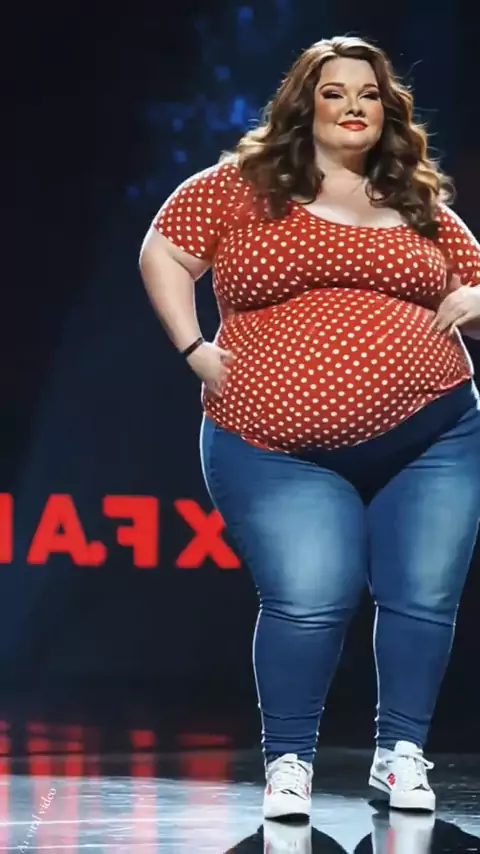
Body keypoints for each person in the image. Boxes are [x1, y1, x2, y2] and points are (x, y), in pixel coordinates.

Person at [139, 35, 480, 821]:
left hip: (435, 434)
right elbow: (163, 253)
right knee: (309, 597)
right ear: (305, 104)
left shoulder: (420, 203)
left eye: (369, 94)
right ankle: (288, 762)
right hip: (273, 444)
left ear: (387, 111)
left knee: (422, 597)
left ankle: (402, 756)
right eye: (335, 92)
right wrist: (193, 348)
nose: (353, 106)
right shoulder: (241, 187)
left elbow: (477, 287)